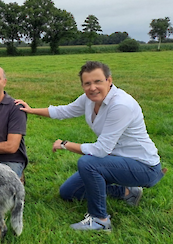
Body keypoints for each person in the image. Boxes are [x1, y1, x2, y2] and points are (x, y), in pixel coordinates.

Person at [15, 61, 165, 231]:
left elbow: (100, 150)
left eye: (98, 81)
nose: (92, 87)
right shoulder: (89, 99)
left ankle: (100, 220)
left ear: (109, 80)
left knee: (88, 163)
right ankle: (127, 192)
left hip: (144, 167)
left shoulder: (121, 105)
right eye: (87, 83)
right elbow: (65, 111)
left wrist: (65, 144)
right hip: (116, 161)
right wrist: (32, 110)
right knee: (69, 192)